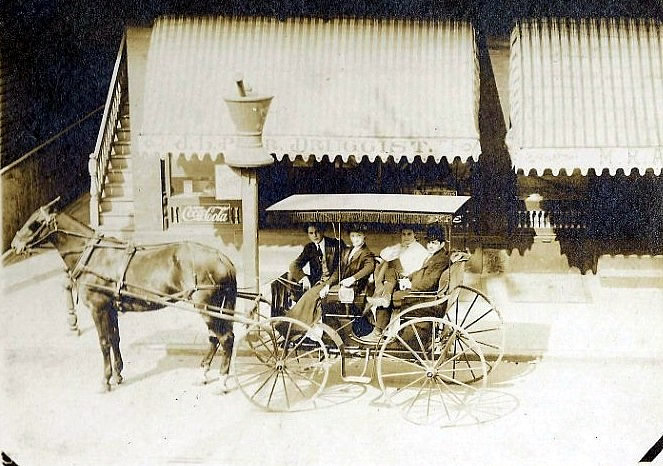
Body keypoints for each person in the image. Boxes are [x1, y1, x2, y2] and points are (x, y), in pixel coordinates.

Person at [360, 225, 450, 344]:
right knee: (391, 270)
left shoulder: (440, 260)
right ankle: (385, 296)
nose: (430, 246)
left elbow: (429, 282)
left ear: (442, 244)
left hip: (420, 296)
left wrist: (409, 285)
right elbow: (419, 272)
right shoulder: (435, 256)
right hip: (416, 288)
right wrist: (408, 278)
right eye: (429, 243)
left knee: (392, 297)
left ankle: (378, 331)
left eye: (434, 243)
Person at [286, 225, 374, 329]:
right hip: (330, 281)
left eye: (359, 236)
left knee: (310, 296)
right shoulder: (349, 250)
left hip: (348, 285)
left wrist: (353, 278)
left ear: (365, 236)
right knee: (308, 297)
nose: (355, 239)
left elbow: (370, 266)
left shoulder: (362, 251)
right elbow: (339, 269)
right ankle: (297, 323)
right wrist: (323, 283)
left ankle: (299, 326)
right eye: (353, 236)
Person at [288, 223, 344, 291]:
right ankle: (296, 299)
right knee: (290, 276)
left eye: (317, 232)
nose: (314, 235)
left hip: (333, 281)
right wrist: (304, 278)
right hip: (317, 281)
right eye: (311, 233)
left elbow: (341, 266)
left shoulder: (335, 244)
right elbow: (294, 265)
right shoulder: (309, 248)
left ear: (322, 231)